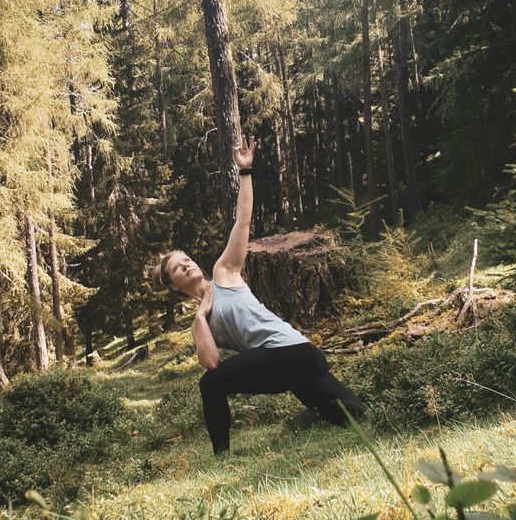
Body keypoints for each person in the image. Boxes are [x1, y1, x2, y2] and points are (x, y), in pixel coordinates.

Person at [153, 135, 364, 454]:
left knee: (211, 385)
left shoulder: (224, 272)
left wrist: (245, 172)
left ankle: (222, 458)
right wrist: (200, 317)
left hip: (295, 352)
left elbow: (243, 221)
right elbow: (211, 363)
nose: (186, 263)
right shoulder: (200, 323)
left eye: (186, 259)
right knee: (352, 416)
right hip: (288, 368)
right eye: (178, 267)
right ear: (173, 285)